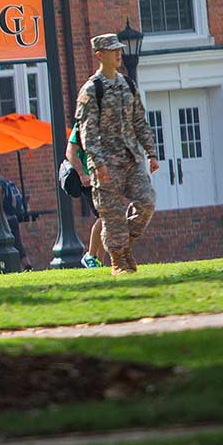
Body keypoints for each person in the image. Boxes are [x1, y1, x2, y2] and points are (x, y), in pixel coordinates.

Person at [73, 32, 159, 276]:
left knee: (147, 202)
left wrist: (151, 153)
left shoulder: (128, 85)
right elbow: (86, 132)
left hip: (131, 159)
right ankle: (118, 260)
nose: (119, 54)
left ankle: (123, 247)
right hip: (106, 165)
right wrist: (97, 164)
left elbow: (140, 122)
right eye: (113, 50)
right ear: (100, 55)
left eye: (119, 49)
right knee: (111, 215)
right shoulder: (92, 89)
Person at [66, 125, 106, 269]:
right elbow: (70, 152)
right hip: (90, 180)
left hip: (105, 178)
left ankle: (98, 262)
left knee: (107, 218)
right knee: (105, 216)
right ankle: (90, 256)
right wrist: (82, 174)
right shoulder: (82, 123)